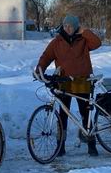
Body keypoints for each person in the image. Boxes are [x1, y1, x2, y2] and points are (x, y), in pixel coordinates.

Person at [36, 15, 102, 156]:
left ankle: (91, 143)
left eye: (71, 26)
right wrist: (39, 70)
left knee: (85, 113)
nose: (67, 28)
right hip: (64, 81)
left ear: (76, 27)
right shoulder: (57, 42)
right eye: (65, 26)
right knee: (63, 115)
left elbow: (97, 43)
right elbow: (46, 56)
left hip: (82, 80)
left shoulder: (83, 40)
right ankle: (61, 145)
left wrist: (85, 32)